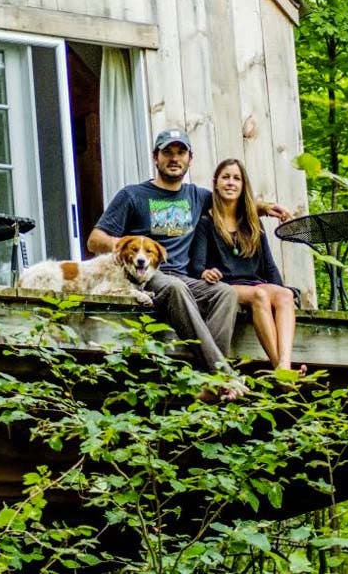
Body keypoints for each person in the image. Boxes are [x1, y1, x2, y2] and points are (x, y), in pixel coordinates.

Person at [87, 129, 290, 399]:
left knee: (226, 292)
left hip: (185, 277)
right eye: (167, 152)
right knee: (174, 288)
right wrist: (124, 245)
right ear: (155, 157)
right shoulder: (133, 195)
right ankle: (222, 374)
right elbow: (94, 240)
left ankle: (209, 382)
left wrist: (264, 207)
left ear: (190, 159)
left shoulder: (196, 196)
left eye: (180, 153)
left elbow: (229, 200)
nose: (174, 158)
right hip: (147, 276)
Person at [189, 158, 305, 375]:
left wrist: (279, 291)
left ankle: (285, 364)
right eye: (225, 177)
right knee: (260, 295)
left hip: (255, 283)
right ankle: (279, 369)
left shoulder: (252, 223)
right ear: (215, 183)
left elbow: (268, 266)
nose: (230, 183)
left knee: (285, 295)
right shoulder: (206, 222)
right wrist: (206, 272)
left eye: (236, 178)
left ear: (243, 186)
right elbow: (196, 266)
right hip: (227, 286)